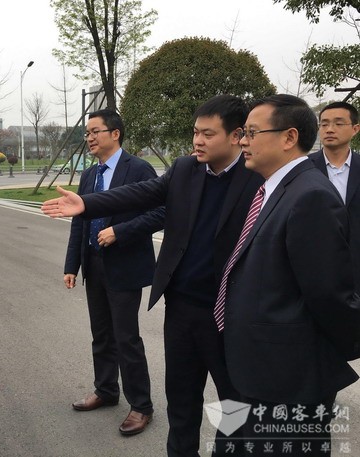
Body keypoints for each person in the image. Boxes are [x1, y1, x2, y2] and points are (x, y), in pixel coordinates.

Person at [43, 95, 264, 456]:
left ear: (237, 135)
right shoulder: (185, 169)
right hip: (182, 308)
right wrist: (87, 204)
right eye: (196, 132)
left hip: (228, 312)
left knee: (233, 402)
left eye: (208, 134)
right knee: (181, 399)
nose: (198, 141)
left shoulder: (256, 177)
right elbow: (140, 194)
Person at [219, 94, 359, 455]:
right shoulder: (275, 188)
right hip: (259, 365)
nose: (243, 141)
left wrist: (339, 347)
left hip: (287, 373)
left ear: (289, 137)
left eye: (252, 132)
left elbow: (329, 294)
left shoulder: (310, 196)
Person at [65, 109, 164, 436]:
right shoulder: (89, 175)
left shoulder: (138, 169)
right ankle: (106, 390)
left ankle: (141, 406)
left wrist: (121, 231)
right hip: (94, 264)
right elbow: (79, 222)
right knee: (102, 334)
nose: (89, 138)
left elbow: (161, 212)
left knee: (126, 338)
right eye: (87, 133)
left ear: (115, 133)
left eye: (95, 131)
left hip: (124, 265)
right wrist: (72, 265)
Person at [309, 102, 360, 288]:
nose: (329, 129)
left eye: (338, 123)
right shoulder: (304, 168)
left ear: (355, 129)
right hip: (316, 264)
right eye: (324, 124)